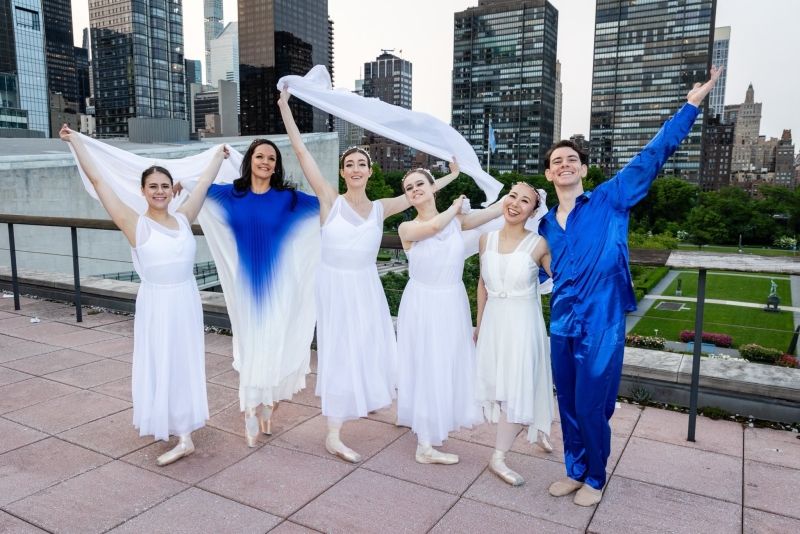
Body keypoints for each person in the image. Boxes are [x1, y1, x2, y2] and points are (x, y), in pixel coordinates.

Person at [539, 68, 722, 506]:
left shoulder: (609, 198)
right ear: (548, 175)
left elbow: (652, 155)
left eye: (571, 160)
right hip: (562, 323)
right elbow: (534, 267)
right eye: (556, 162)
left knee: (591, 406)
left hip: (601, 323)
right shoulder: (545, 224)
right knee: (566, 404)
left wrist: (690, 106)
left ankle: (596, 478)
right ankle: (575, 469)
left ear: (583, 168)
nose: (564, 166)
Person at [278, 89, 461, 462]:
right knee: (339, 351)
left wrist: (450, 177)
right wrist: (285, 106)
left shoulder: (379, 208)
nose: (357, 169)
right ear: (344, 172)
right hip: (335, 285)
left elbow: (418, 196)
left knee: (376, 346)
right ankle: (334, 431)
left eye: (362, 164)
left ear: (370, 171)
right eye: (351, 165)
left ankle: (372, 399)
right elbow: (301, 153)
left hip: (366, 284)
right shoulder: (331, 201)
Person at [60, 124, 228, 466]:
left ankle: (184, 435)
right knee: (159, 360)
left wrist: (217, 157)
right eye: (153, 186)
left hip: (185, 300)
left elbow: (206, 184)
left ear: (172, 190)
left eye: (165, 186)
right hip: (156, 303)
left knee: (183, 361)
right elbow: (99, 183)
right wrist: (76, 142)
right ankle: (170, 422)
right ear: (143, 190)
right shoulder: (135, 224)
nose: (160, 191)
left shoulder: (183, 219)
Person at [203, 138, 320, 447]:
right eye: (260, 156)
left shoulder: (290, 199)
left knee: (279, 349)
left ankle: (268, 407)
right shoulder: (231, 195)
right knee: (253, 349)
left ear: (276, 165)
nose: (266, 162)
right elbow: (195, 189)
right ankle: (250, 410)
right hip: (246, 291)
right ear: (250, 160)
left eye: (271, 158)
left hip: (283, 289)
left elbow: (329, 205)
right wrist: (215, 159)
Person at [396, 169, 504, 464]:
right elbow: (432, 228)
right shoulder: (407, 228)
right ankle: (425, 445)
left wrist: (514, 199)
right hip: (423, 303)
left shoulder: (456, 222)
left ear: (433, 188)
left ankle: (432, 427)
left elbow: (491, 215)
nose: (415, 189)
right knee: (426, 366)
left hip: (451, 302)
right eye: (409, 187)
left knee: (447, 364)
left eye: (420, 184)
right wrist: (455, 207)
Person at [474, 182, 554, 486]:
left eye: (526, 201)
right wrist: (480, 325)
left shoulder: (539, 245)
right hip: (494, 321)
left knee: (518, 385)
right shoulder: (486, 239)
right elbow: (482, 284)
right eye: (512, 196)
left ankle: (498, 456)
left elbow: (563, 277)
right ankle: (541, 428)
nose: (516, 204)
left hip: (523, 323)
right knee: (500, 383)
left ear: (533, 211)